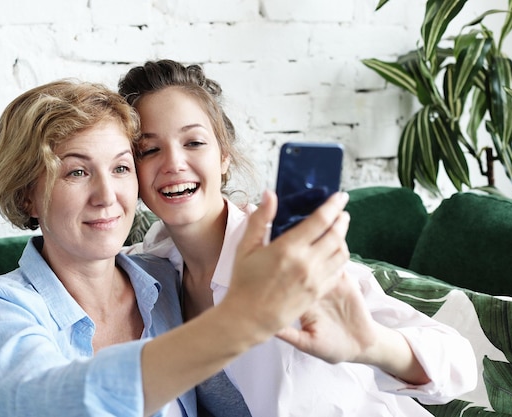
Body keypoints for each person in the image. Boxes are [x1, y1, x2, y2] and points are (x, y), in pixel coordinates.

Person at [0, 79, 353, 417]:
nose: (107, 196)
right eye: (76, 172)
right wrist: (238, 321)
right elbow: (50, 401)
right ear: (27, 197)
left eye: (122, 167)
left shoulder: (164, 280)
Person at [118, 60, 478, 416]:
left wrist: (369, 345)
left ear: (224, 156)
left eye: (194, 142)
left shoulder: (286, 251)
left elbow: (458, 363)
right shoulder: (148, 267)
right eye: (150, 150)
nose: (173, 163)